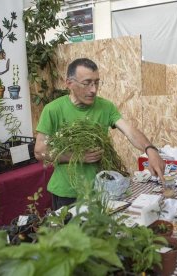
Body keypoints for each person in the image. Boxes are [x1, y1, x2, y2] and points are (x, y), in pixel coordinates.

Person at [34, 58, 165, 210]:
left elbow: (129, 131)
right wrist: (77, 156)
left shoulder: (105, 107)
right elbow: (40, 151)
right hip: (68, 194)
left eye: (96, 82)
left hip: (101, 190)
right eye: (87, 83)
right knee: (71, 233)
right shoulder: (53, 110)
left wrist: (150, 150)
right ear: (69, 83)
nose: (93, 89)